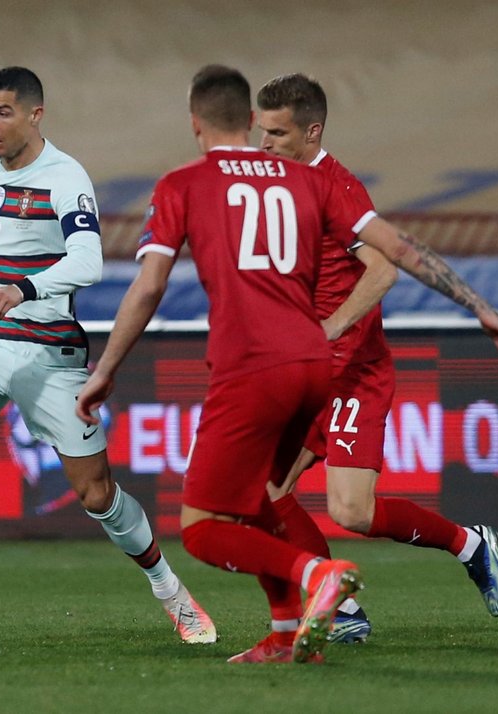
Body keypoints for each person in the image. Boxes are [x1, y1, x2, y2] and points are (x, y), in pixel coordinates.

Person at [0, 66, 217, 647]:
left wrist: (23, 288)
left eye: (2, 112)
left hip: (47, 350)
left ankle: (170, 592)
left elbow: (89, 261)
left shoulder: (65, 177)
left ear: (34, 115)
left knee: (97, 494)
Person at [78, 65, 378, 665]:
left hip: (252, 367)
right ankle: (287, 632)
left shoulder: (185, 183)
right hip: (315, 361)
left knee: (203, 529)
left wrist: (106, 366)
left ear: (194, 123)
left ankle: (317, 574)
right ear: (249, 121)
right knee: (260, 498)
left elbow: (149, 285)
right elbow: (384, 255)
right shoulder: (304, 180)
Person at [254, 74, 498, 644]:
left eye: (277, 133)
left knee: (352, 512)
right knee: (265, 491)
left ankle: (470, 544)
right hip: (305, 374)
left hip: (352, 373)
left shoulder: (339, 188)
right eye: (262, 131)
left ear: (312, 131)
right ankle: (341, 606)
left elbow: (384, 269)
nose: (266, 144)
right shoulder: (275, 186)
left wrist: (328, 329)